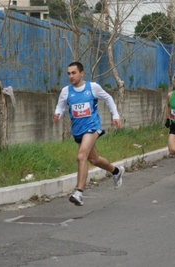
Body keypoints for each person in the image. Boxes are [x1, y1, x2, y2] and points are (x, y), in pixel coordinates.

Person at [53, 62, 124, 206]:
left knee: (81, 156)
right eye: (69, 73)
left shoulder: (93, 87)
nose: (71, 76)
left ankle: (79, 193)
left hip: (92, 127)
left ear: (81, 73)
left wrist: (115, 115)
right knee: (94, 160)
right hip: (78, 130)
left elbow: (108, 98)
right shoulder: (66, 91)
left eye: (74, 73)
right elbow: (60, 106)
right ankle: (116, 171)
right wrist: (57, 114)